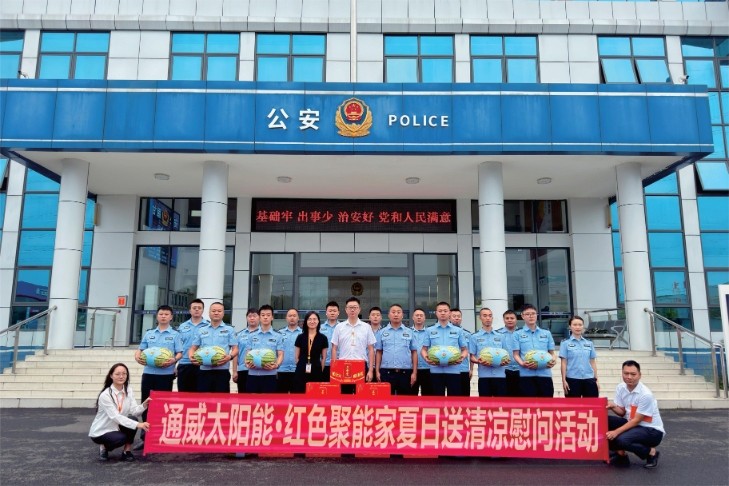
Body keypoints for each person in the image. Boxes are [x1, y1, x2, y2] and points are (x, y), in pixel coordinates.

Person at [133, 305, 181, 449]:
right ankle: (145, 437)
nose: (163, 316)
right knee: (146, 404)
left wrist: (174, 360)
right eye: (161, 314)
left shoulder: (175, 335)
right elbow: (140, 349)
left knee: (163, 406)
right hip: (148, 374)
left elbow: (179, 352)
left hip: (165, 375)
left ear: (171, 317)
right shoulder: (149, 334)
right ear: (157, 316)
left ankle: (161, 436)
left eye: (166, 314)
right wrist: (137, 356)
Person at [606, 360, 664, 469]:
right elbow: (622, 412)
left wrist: (616, 432)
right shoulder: (621, 388)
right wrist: (613, 406)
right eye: (626, 373)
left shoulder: (645, 394)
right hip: (633, 425)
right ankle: (621, 455)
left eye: (633, 374)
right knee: (603, 421)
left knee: (621, 439)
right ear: (622, 373)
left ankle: (651, 453)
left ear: (639, 375)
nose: (629, 377)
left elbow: (636, 420)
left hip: (651, 431)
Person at [89, 363, 150, 462]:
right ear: (111, 376)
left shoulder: (128, 390)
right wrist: (139, 424)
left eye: (124, 373)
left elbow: (134, 411)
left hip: (117, 426)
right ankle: (104, 447)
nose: (121, 376)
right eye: (117, 374)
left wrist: (144, 405)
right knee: (122, 438)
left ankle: (126, 451)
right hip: (102, 431)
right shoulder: (105, 395)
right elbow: (115, 417)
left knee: (133, 419)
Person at [420, 302, 469, 397]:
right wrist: (426, 358)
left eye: (445, 311)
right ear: (436, 313)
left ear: (449, 313)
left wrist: (461, 358)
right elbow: (424, 349)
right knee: (436, 400)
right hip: (435, 370)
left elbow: (465, 349)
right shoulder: (429, 330)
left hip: (453, 370)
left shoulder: (458, 330)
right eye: (440, 311)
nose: (443, 313)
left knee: (454, 400)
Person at [189, 301, 237, 393]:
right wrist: (191, 357)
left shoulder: (229, 330)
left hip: (222, 370)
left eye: (219, 311)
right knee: (203, 399)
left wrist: (230, 357)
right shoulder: (201, 330)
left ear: (223, 313)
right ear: (209, 312)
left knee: (221, 399)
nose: (216, 313)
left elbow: (235, 348)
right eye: (213, 311)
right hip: (204, 370)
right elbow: (193, 347)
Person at [331, 296, 377, 392]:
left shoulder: (366, 327)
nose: (352, 310)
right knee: (345, 396)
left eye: (355, 307)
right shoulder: (339, 327)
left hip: (361, 366)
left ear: (359, 309)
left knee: (361, 396)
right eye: (350, 307)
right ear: (346, 309)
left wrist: (370, 370)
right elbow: (334, 348)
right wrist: (335, 368)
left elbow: (371, 349)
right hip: (343, 366)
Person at [512, 304, 556, 397]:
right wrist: (522, 364)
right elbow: (516, 354)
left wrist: (553, 361)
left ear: (537, 315)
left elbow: (552, 352)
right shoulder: (517, 334)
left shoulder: (546, 333)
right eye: (527, 314)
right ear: (522, 316)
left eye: (533, 313)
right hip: (526, 375)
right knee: (528, 404)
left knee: (546, 404)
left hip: (545, 374)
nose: (531, 316)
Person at [375, 304, 417, 395]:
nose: (396, 314)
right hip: (386, 372)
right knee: (386, 400)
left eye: (398, 312)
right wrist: (377, 371)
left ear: (402, 315)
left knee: (404, 401)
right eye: (393, 312)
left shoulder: (410, 332)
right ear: (389, 315)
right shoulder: (381, 332)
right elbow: (379, 352)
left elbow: (414, 352)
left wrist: (414, 372)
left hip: (405, 372)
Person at [244, 305, 284, 393]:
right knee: (252, 400)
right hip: (253, 374)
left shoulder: (278, 335)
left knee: (268, 400)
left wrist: (276, 365)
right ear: (259, 317)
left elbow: (280, 354)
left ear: (272, 317)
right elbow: (247, 353)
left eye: (268, 315)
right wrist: (247, 363)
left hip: (270, 375)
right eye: (263, 315)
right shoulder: (251, 335)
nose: (265, 317)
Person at [470, 308, 508, 397]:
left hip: (500, 375)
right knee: (485, 404)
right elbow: (472, 356)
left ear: (492, 318)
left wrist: (505, 361)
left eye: (490, 316)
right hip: (484, 376)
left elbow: (506, 355)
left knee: (501, 404)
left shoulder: (501, 336)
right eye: (485, 316)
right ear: (480, 318)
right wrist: (479, 361)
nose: (488, 318)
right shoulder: (474, 337)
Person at [559, 315, 599, 398]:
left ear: (583, 326)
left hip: (589, 379)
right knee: (572, 405)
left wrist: (596, 379)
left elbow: (592, 362)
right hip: (572, 379)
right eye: (575, 325)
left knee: (591, 404)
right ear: (570, 327)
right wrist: (564, 380)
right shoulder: (565, 343)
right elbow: (563, 363)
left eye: (580, 325)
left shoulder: (589, 343)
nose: (578, 327)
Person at [176, 299, 209, 392]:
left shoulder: (209, 326)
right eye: (194, 308)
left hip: (202, 364)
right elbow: (177, 347)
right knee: (184, 394)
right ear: (190, 310)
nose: (197, 310)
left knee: (201, 394)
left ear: (203, 310)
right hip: (184, 364)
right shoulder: (182, 326)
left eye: (199, 308)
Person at [293, 311, 329, 393]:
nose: (312, 321)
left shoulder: (323, 338)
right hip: (301, 369)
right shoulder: (300, 337)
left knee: (314, 394)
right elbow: (296, 357)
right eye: (309, 319)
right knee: (300, 393)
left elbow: (323, 358)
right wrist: (300, 366)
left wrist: (320, 369)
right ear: (306, 321)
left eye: (314, 319)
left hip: (316, 369)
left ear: (318, 321)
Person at [232, 308, 259, 394]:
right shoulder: (239, 335)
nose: (252, 318)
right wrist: (234, 371)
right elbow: (235, 354)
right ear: (246, 318)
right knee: (243, 397)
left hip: (259, 370)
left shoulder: (263, 334)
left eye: (254, 316)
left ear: (259, 317)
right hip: (243, 370)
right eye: (249, 316)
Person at [496, 310, 521, 397]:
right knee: (504, 398)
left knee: (521, 398)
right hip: (503, 370)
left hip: (521, 370)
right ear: (503, 320)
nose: (509, 320)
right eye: (507, 318)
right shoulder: (497, 334)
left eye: (512, 318)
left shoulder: (522, 333)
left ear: (516, 319)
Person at [278, 308, 302, 393]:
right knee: (281, 398)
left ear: (298, 318)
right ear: (286, 318)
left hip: (298, 370)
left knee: (297, 397)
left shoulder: (303, 333)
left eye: (294, 316)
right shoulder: (279, 333)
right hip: (282, 370)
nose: (292, 318)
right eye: (290, 316)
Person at [450, 308, 473, 397]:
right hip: (450, 369)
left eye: (459, 316)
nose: (457, 318)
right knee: (452, 397)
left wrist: (471, 369)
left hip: (463, 369)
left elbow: (471, 353)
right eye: (454, 316)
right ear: (449, 317)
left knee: (465, 396)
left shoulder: (467, 334)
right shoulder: (445, 332)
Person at [410, 308, 432, 396]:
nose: (419, 317)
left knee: (428, 397)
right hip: (411, 369)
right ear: (413, 317)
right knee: (411, 397)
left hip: (428, 368)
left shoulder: (430, 333)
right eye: (417, 315)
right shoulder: (408, 332)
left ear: (424, 318)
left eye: (421, 315)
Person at [320, 301, 340, 381]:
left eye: (334, 311)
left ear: (338, 313)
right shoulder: (319, 328)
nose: (332, 313)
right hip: (323, 363)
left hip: (339, 363)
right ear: (326, 312)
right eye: (330, 311)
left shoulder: (343, 327)